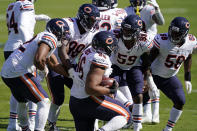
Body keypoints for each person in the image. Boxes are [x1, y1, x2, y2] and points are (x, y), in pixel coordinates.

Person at [1, 18, 70, 131]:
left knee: (22, 102)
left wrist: (71, 75)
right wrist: (43, 69)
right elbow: (38, 60)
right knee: (44, 101)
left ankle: (25, 128)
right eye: (63, 34)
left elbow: (54, 64)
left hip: (7, 71)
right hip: (17, 71)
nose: (64, 37)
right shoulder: (50, 37)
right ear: (56, 32)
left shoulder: (44, 36)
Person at [46, 4, 100, 130]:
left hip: (71, 62)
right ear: (83, 18)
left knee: (88, 92)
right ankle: (51, 124)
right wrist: (71, 71)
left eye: (95, 21)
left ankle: (94, 126)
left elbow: (88, 54)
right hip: (54, 62)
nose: (93, 24)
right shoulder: (68, 25)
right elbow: (62, 51)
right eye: (91, 20)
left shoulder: (93, 33)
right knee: (58, 97)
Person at [69, 31, 131, 131]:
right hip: (88, 99)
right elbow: (90, 88)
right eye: (112, 46)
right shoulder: (100, 58)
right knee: (126, 115)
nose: (114, 48)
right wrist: (110, 90)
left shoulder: (88, 50)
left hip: (75, 100)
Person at [5, 0, 50, 130]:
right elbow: (23, 26)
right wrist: (28, 46)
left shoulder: (12, 5)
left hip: (9, 47)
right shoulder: (27, 4)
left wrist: (37, 17)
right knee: (33, 87)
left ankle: (13, 123)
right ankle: (32, 122)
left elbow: (19, 21)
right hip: (20, 49)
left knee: (17, 89)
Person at [149, 17, 195, 131]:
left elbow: (188, 56)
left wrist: (187, 77)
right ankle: (129, 121)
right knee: (138, 98)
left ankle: (168, 129)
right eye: (172, 31)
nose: (173, 35)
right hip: (152, 75)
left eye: (177, 33)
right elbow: (147, 61)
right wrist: (147, 79)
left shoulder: (191, 41)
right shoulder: (162, 40)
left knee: (180, 101)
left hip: (168, 77)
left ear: (184, 34)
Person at [110, 14, 154, 131]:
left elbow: (146, 60)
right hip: (115, 65)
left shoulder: (145, 41)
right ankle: (125, 109)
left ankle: (136, 126)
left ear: (137, 32)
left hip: (133, 67)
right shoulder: (114, 35)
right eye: (124, 29)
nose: (125, 32)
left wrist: (146, 78)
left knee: (138, 95)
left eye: (129, 30)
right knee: (111, 88)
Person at [125, 0, 165, 123]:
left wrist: (157, 9)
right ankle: (148, 113)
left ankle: (151, 114)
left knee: (148, 80)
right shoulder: (127, 10)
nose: (136, 1)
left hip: (150, 48)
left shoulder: (149, 9)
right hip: (136, 48)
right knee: (141, 80)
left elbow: (161, 22)